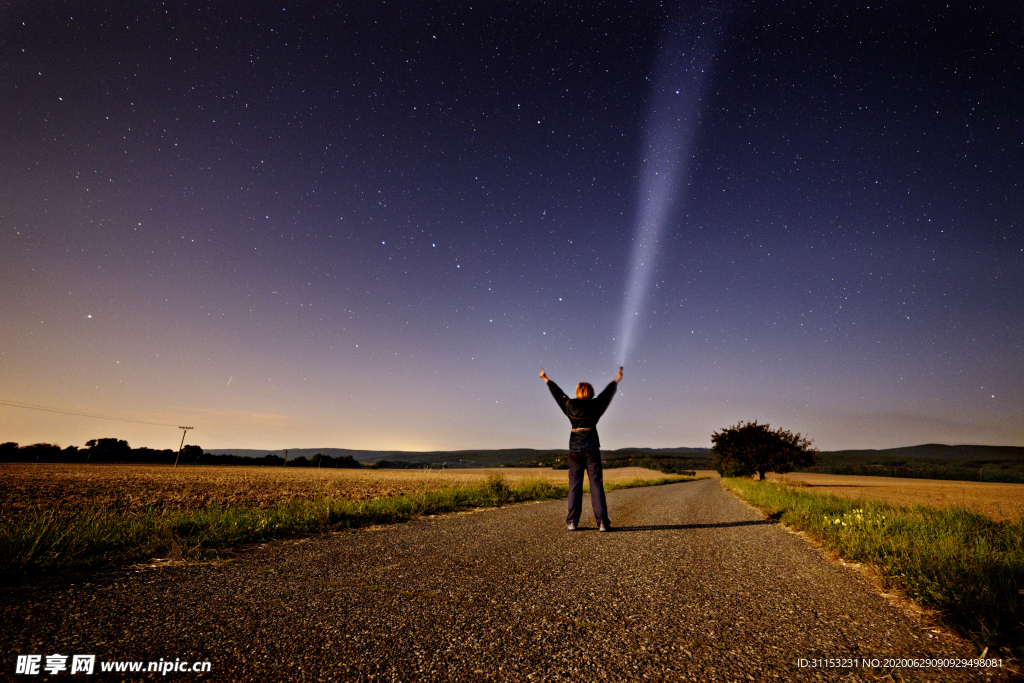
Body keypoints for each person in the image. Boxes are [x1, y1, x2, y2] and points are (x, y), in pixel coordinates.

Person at [539, 365, 623, 532]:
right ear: (591, 393)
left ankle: (572, 521)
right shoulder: (596, 405)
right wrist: (616, 380)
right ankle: (602, 523)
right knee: (596, 484)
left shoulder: (569, 405)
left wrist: (546, 379)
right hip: (592, 448)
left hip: (575, 449)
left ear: (578, 393)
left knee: (575, 485)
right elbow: (607, 394)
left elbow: (558, 394)